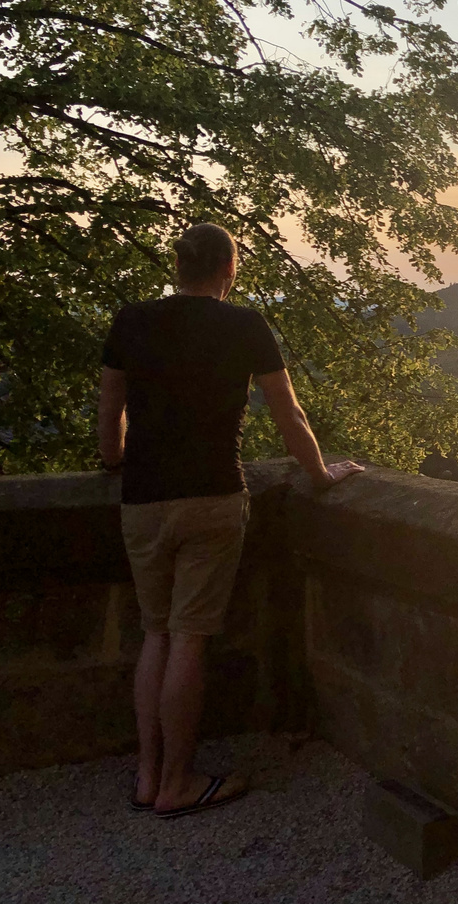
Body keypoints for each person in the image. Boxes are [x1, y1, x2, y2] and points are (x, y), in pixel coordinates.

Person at [97, 223, 364, 818]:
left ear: (178, 266)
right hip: (212, 494)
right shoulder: (244, 325)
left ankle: (147, 777)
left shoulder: (130, 320)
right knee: (189, 636)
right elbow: (287, 412)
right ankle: (177, 783)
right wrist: (322, 475)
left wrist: (114, 462)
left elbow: (111, 410)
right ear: (228, 268)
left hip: (142, 498)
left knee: (155, 633)